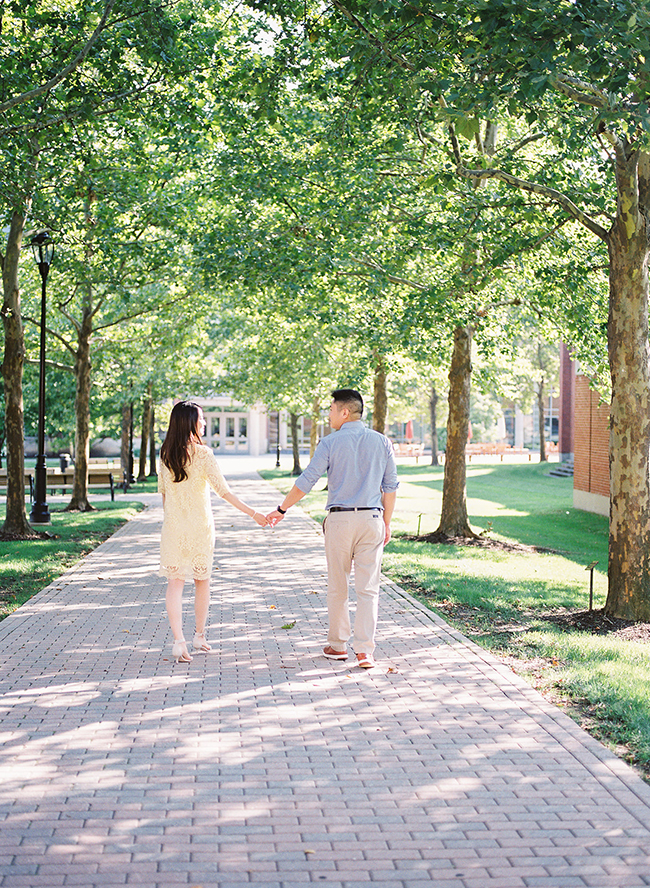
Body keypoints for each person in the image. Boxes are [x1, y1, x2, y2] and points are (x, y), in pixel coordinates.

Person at [266, 389, 398, 668]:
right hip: (372, 519)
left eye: (331, 410)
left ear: (344, 412)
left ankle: (338, 645)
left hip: (339, 521)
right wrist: (386, 523)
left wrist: (282, 509)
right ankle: (365, 651)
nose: (328, 415)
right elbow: (390, 487)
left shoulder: (330, 442)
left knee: (339, 586)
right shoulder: (382, 442)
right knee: (369, 589)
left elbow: (307, 480)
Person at [159, 400, 268, 663]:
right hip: (200, 527)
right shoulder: (204, 454)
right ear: (190, 423)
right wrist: (254, 513)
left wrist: (172, 521)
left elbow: (164, 496)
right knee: (202, 581)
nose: (204, 423)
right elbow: (224, 492)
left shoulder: (165, 454)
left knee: (175, 583)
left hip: (173, 527)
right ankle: (199, 635)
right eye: (201, 419)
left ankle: (178, 641)